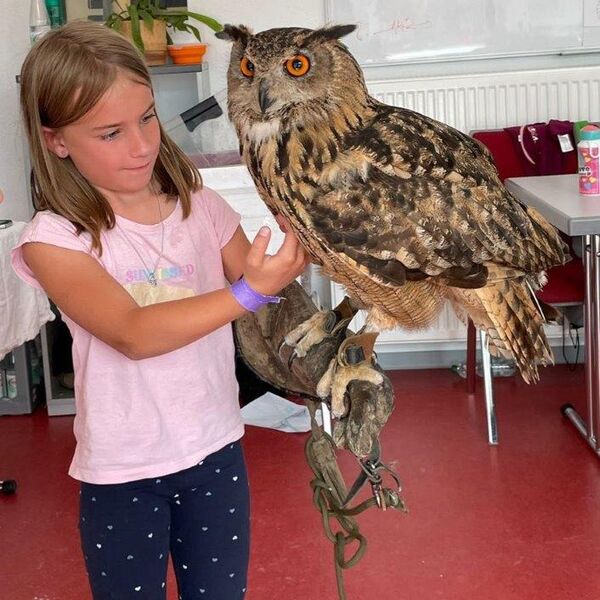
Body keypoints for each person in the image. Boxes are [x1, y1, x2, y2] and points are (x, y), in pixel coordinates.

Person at [12, 21, 308, 600]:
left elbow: (264, 286)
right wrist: (249, 291)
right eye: (110, 132)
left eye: (147, 118)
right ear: (58, 141)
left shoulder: (200, 204)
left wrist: (317, 237)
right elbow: (132, 333)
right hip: (123, 474)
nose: (142, 144)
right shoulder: (55, 238)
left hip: (215, 450)